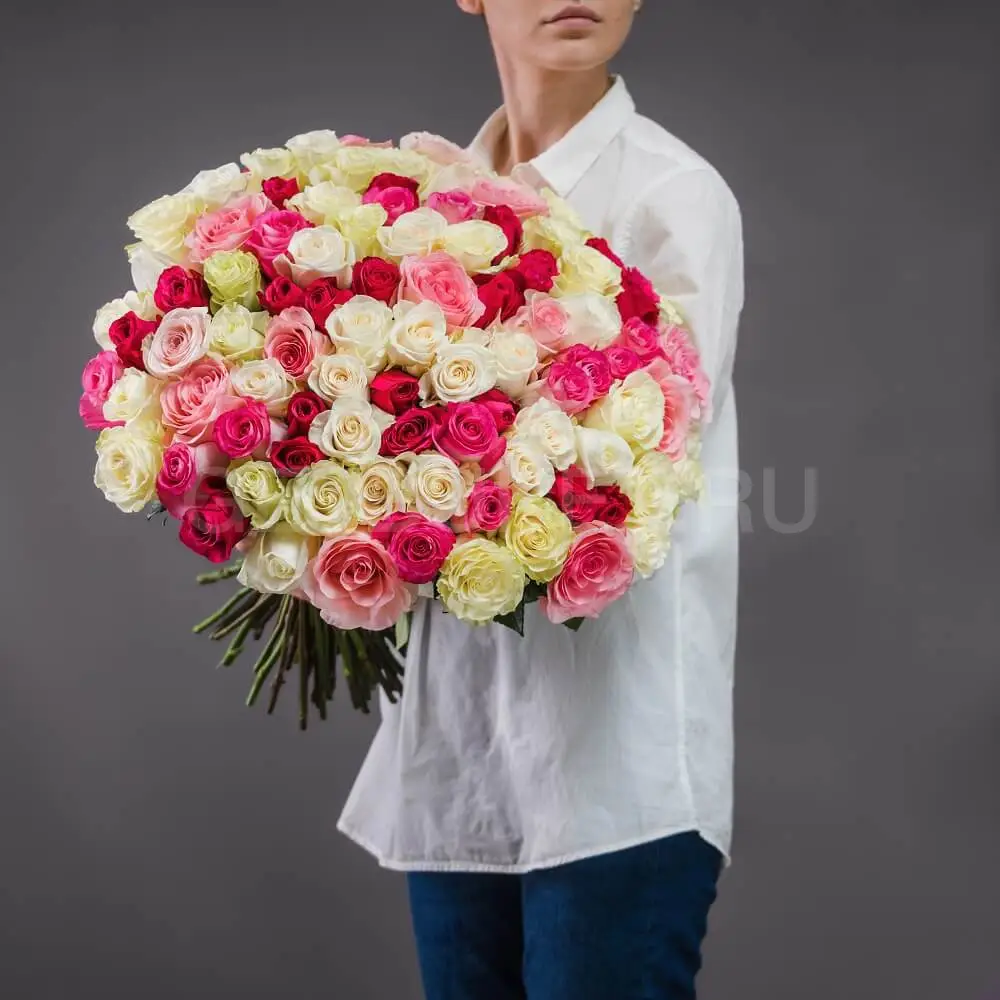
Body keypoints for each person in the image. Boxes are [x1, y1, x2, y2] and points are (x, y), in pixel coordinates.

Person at [337, 1, 746, 996]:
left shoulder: (673, 195)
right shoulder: (413, 206)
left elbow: (630, 469)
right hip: (460, 757)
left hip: (618, 772)